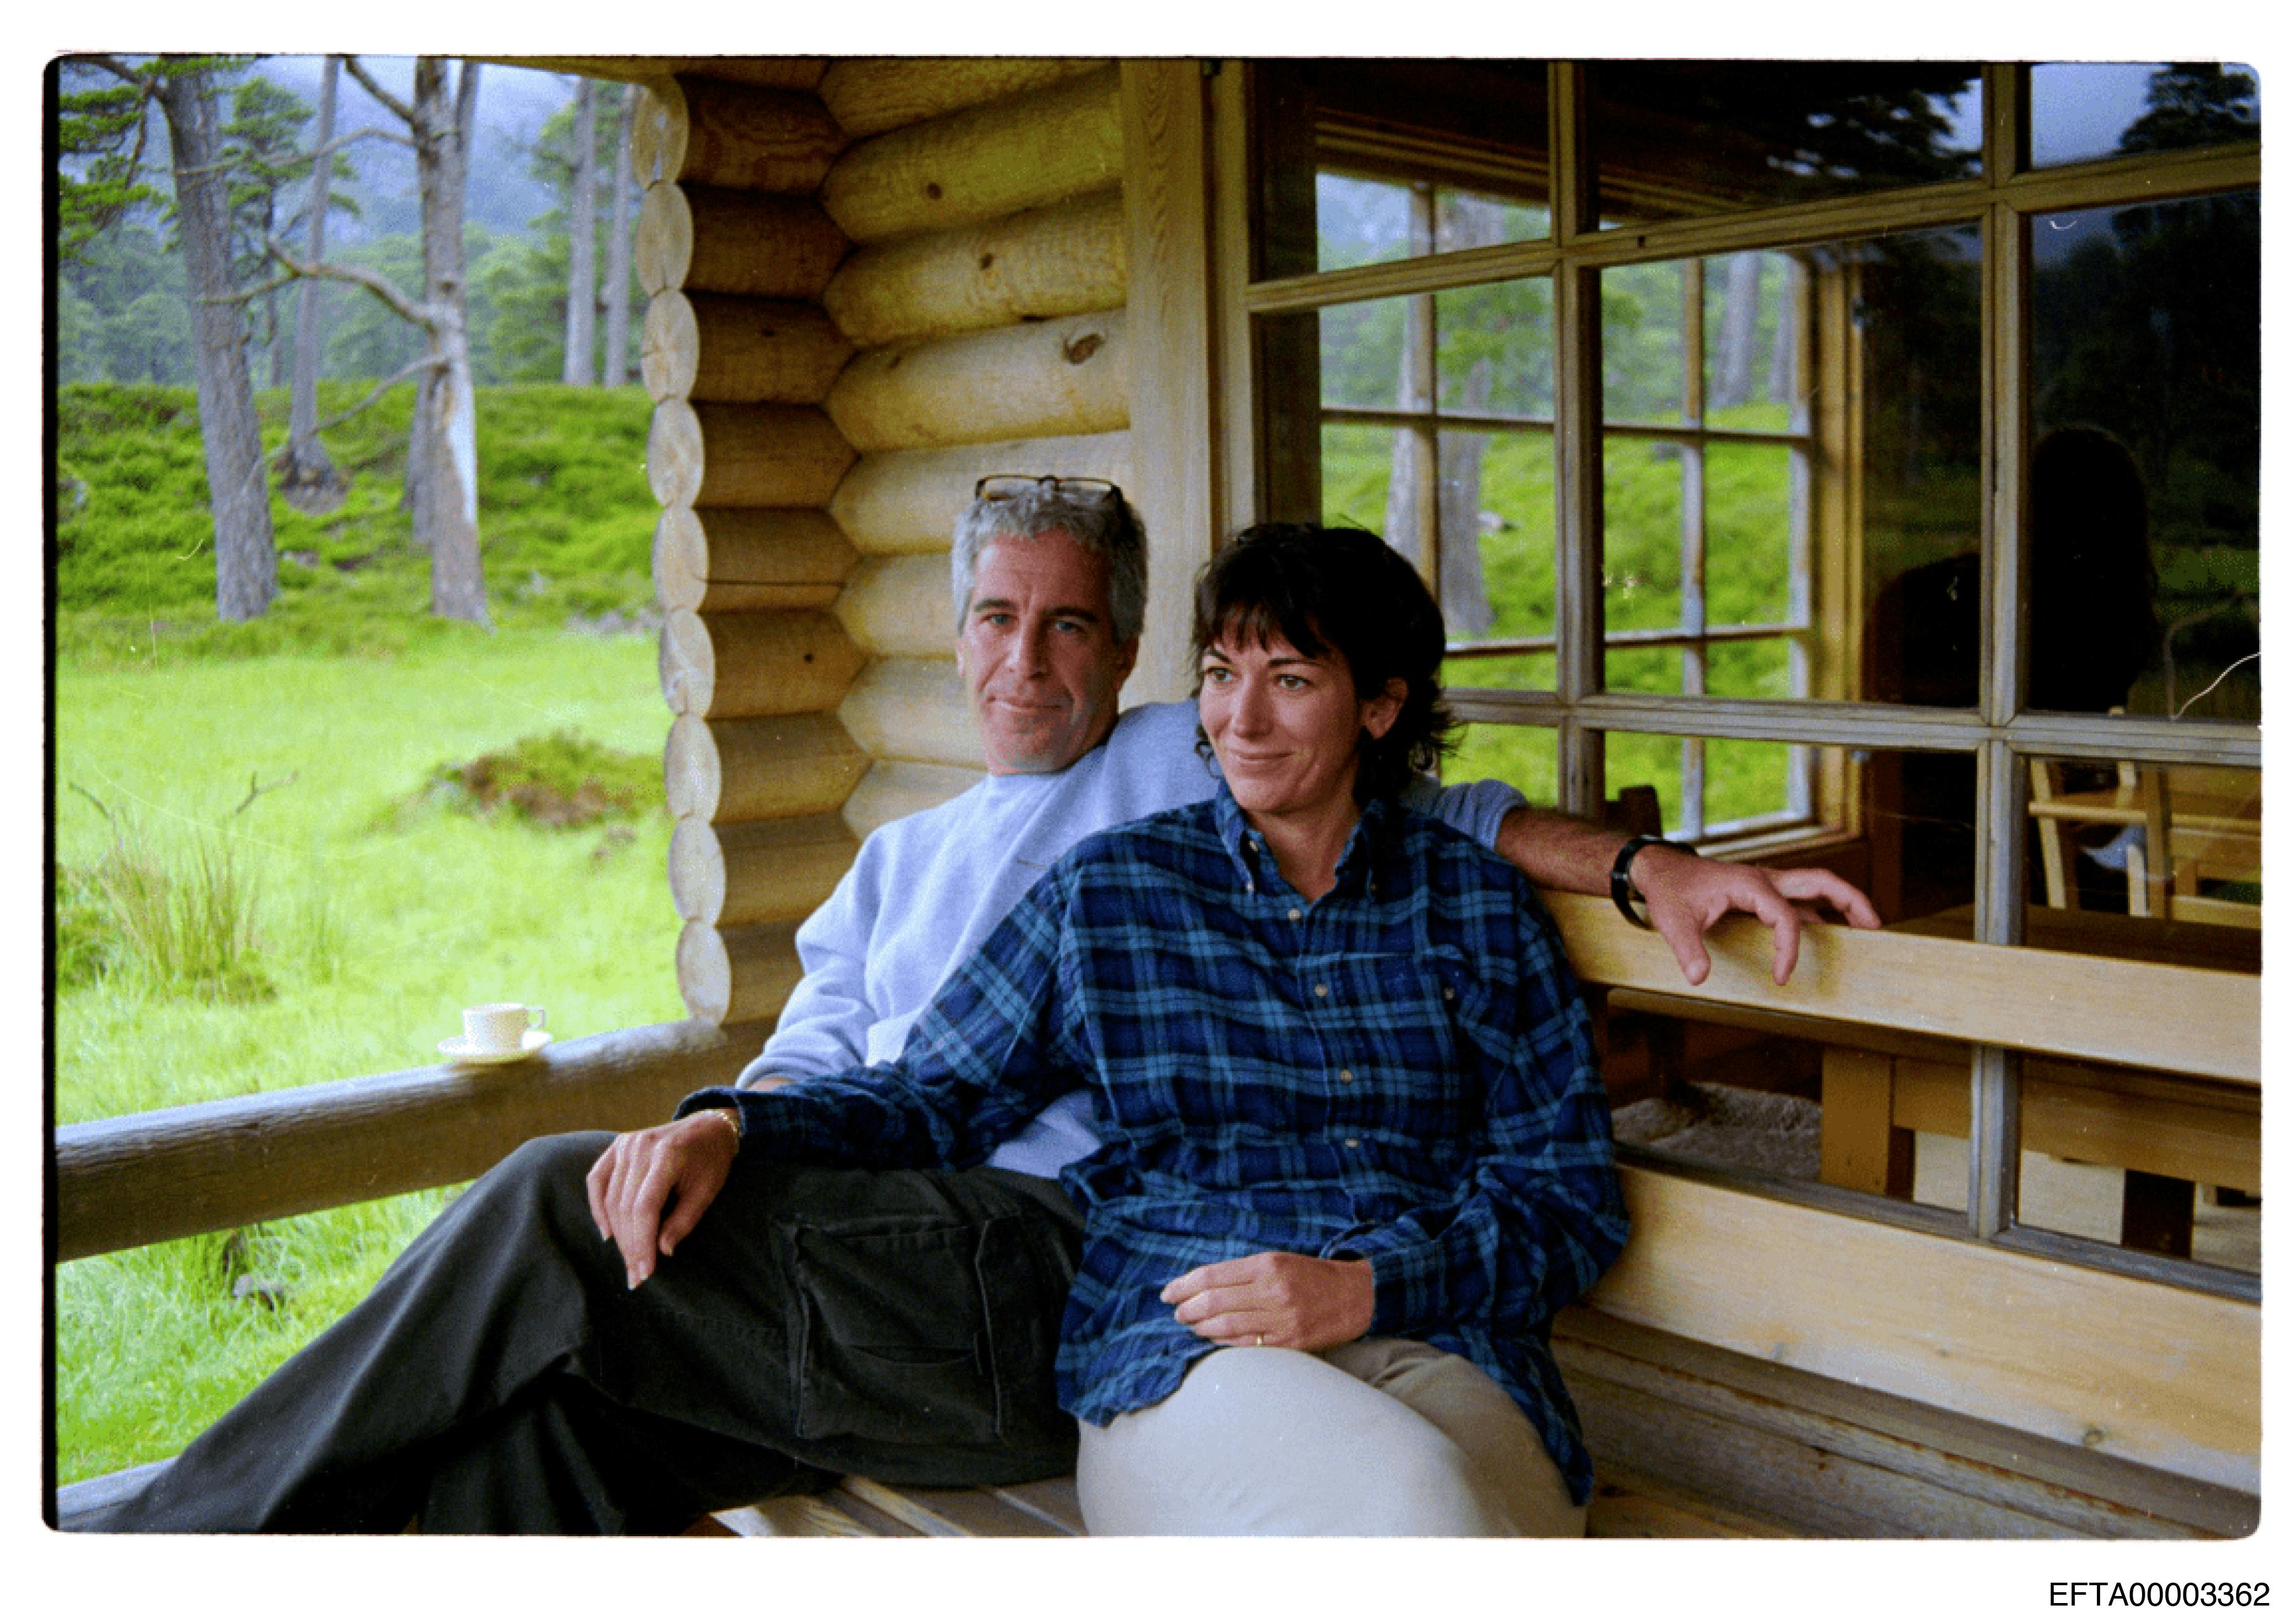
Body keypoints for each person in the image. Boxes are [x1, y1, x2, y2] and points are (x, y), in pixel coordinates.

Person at [92, 480, 1871, 1534]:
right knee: (567, 1388)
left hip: (1055, 1262)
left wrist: (1645, 867)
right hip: (990, 1269)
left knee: (554, 1221)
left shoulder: (1192, 772)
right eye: (1000, 620)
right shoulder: (968, 870)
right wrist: (729, 1118)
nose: (1033, 660)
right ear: (953, 633)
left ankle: (158, 1544)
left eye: (1074, 626)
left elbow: (1462, 836)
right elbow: (899, 1082)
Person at [667, 521, 1628, 1535]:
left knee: (1497, 1530)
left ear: (1380, 708)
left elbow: (1566, 1197)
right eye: (1220, 674)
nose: (1242, 719)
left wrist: (1369, 1289)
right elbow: (928, 1093)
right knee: (1425, 1511)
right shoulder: (1112, 892)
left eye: (1291, 680)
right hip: (1192, 1348)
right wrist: (735, 1124)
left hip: (1444, 1336)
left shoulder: (1476, 906)